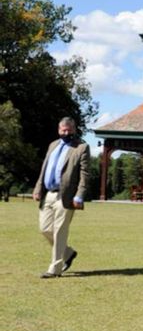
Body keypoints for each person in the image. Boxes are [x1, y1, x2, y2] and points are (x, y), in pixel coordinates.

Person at [32, 117, 90, 278]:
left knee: (59, 232)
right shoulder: (53, 145)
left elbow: (85, 175)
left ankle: (54, 269)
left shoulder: (81, 148)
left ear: (74, 129)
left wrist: (80, 195)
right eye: (63, 130)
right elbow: (44, 169)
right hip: (48, 194)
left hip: (67, 196)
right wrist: (38, 188)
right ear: (59, 130)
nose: (66, 132)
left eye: (69, 129)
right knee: (45, 229)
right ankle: (68, 253)